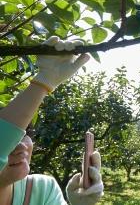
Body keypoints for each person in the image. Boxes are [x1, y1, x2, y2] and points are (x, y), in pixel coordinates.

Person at [0, 36, 104, 205]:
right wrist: (43, 81)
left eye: (25, 133)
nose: (19, 145)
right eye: (10, 137)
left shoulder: (42, 189)